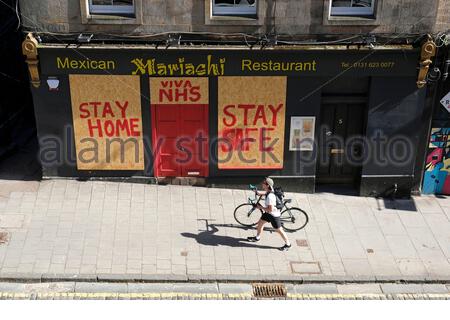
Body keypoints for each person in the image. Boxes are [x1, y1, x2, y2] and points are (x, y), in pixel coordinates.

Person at [247, 177, 292, 251]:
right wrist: (256, 191)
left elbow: (270, 209)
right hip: (268, 214)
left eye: (264, 183)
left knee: (279, 230)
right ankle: (257, 238)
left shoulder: (270, 197)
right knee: (260, 223)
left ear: (267, 185)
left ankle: (288, 244)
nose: (262, 183)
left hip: (274, 215)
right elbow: (264, 193)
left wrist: (260, 207)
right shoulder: (270, 190)